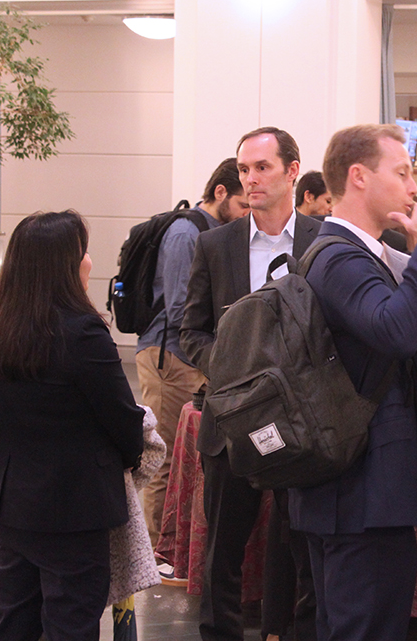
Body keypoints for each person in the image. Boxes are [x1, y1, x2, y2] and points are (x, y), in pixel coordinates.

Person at [287, 123, 417, 641]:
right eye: (403, 172)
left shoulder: (358, 251)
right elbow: (396, 331)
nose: (414, 187)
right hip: (357, 494)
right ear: (359, 177)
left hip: (361, 490)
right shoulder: (339, 254)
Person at [180, 127, 321, 641]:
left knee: (303, 545)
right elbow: (190, 330)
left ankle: (295, 632)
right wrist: (230, 366)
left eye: (262, 167)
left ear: (292, 170)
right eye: (244, 169)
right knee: (223, 550)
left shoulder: (322, 239)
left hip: (302, 422)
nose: (251, 178)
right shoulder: (215, 245)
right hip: (232, 420)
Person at [0, 210, 145, 641]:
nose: (90, 261)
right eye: (84, 252)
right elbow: (124, 422)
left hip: (11, 503)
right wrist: (128, 459)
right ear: (64, 265)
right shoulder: (84, 332)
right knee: (71, 624)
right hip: (73, 510)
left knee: (13, 621)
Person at [137, 157, 249, 564]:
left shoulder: (212, 232)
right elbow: (184, 308)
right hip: (169, 357)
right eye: (242, 204)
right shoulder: (186, 232)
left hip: (186, 357)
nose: (246, 214)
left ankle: (173, 549)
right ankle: (157, 554)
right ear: (220, 193)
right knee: (163, 458)